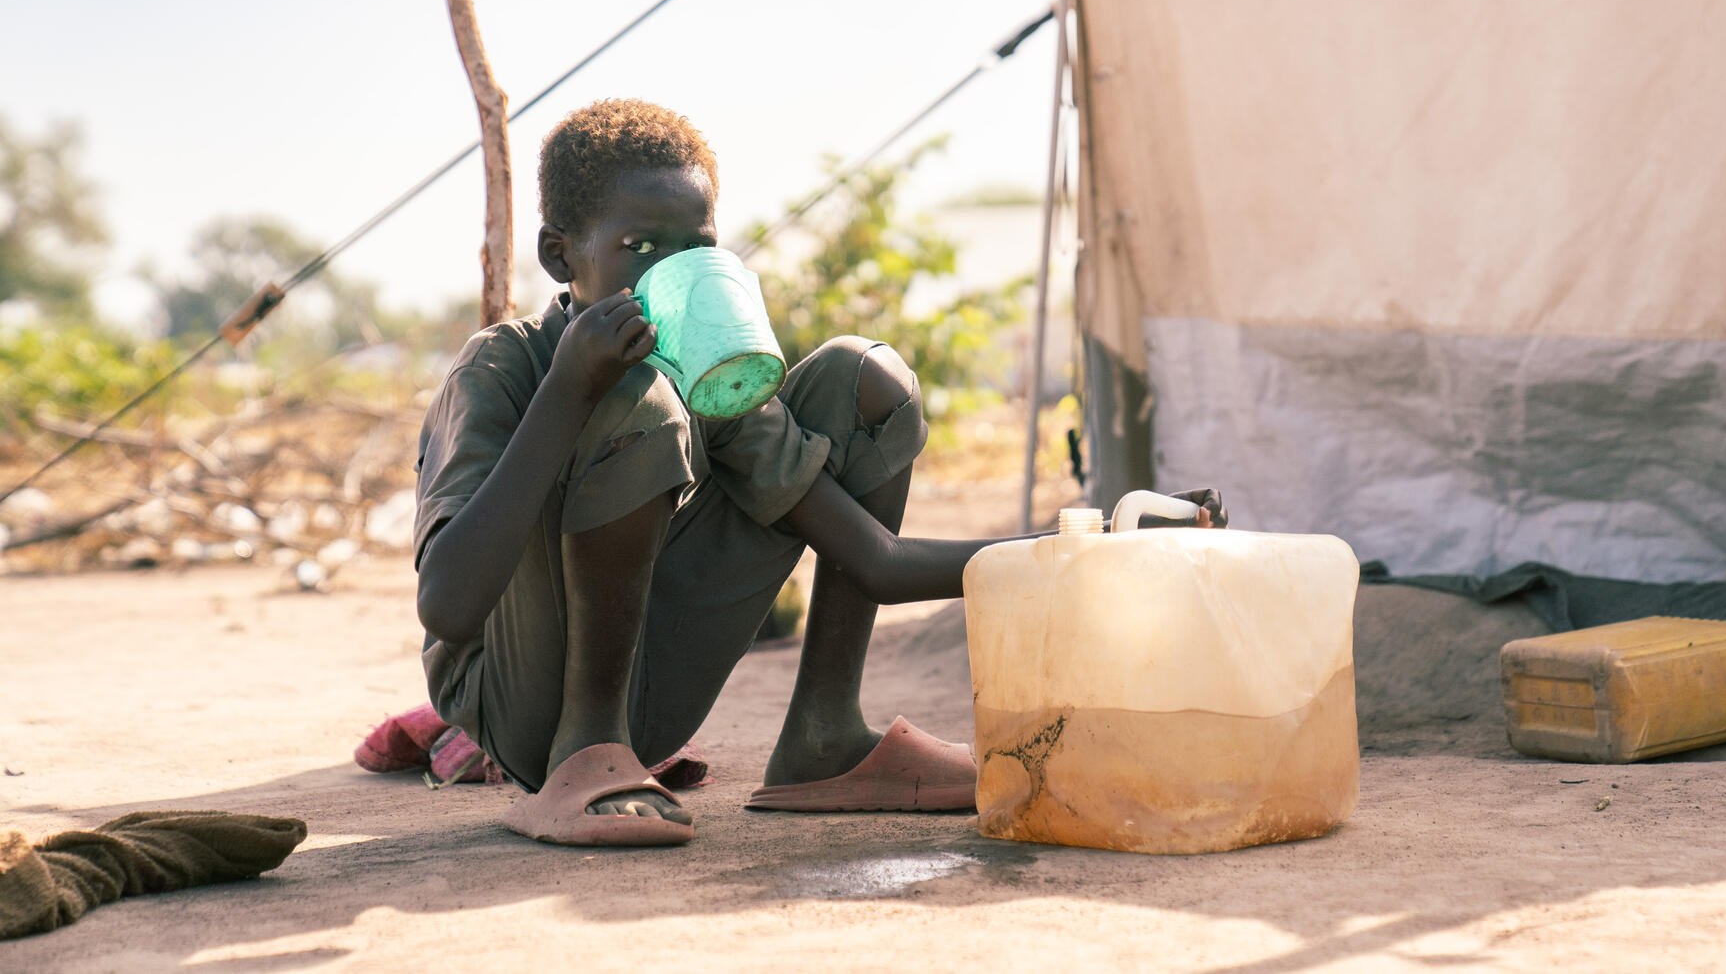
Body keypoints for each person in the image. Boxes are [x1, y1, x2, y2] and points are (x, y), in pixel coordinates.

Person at [410, 98, 1222, 847]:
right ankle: (587, 751)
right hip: (526, 709)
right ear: (561, 256)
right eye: (640, 249)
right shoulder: (503, 368)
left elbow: (873, 558)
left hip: (651, 693)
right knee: (638, 399)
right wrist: (566, 395)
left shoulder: (706, 371)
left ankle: (825, 737)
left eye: (695, 249)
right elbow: (448, 605)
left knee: (861, 381)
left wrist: (1095, 542)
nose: (670, 273)